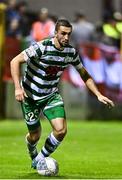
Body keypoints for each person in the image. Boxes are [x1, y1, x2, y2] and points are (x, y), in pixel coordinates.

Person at [10, 19, 114, 169]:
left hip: (51, 95)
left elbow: (84, 74)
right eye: (63, 33)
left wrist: (98, 94)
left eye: (69, 34)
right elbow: (14, 61)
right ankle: (32, 149)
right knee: (35, 136)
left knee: (61, 130)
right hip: (30, 96)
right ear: (55, 33)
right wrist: (17, 88)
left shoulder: (70, 52)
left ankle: (39, 160)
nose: (66, 37)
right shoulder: (41, 47)